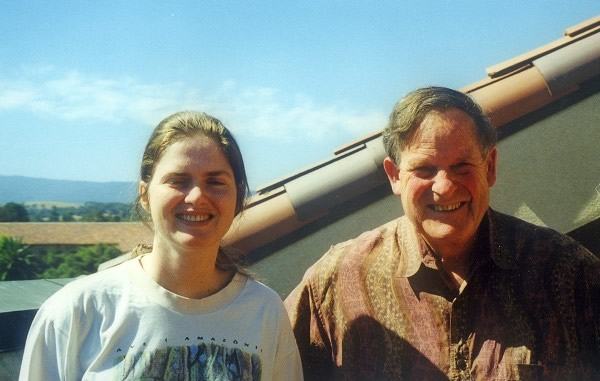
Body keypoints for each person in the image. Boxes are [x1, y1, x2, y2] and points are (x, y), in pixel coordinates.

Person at [285, 87, 600, 380]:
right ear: (394, 176)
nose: (445, 187)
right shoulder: (336, 282)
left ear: (489, 167)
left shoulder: (569, 273)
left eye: (462, 167)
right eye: (424, 170)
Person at [20, 111, 303, 380]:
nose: (197, 197)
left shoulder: (265, 312)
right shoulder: (77, 311)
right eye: (178, 181)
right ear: (144, 195)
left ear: (238, 196)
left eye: (216, 182)